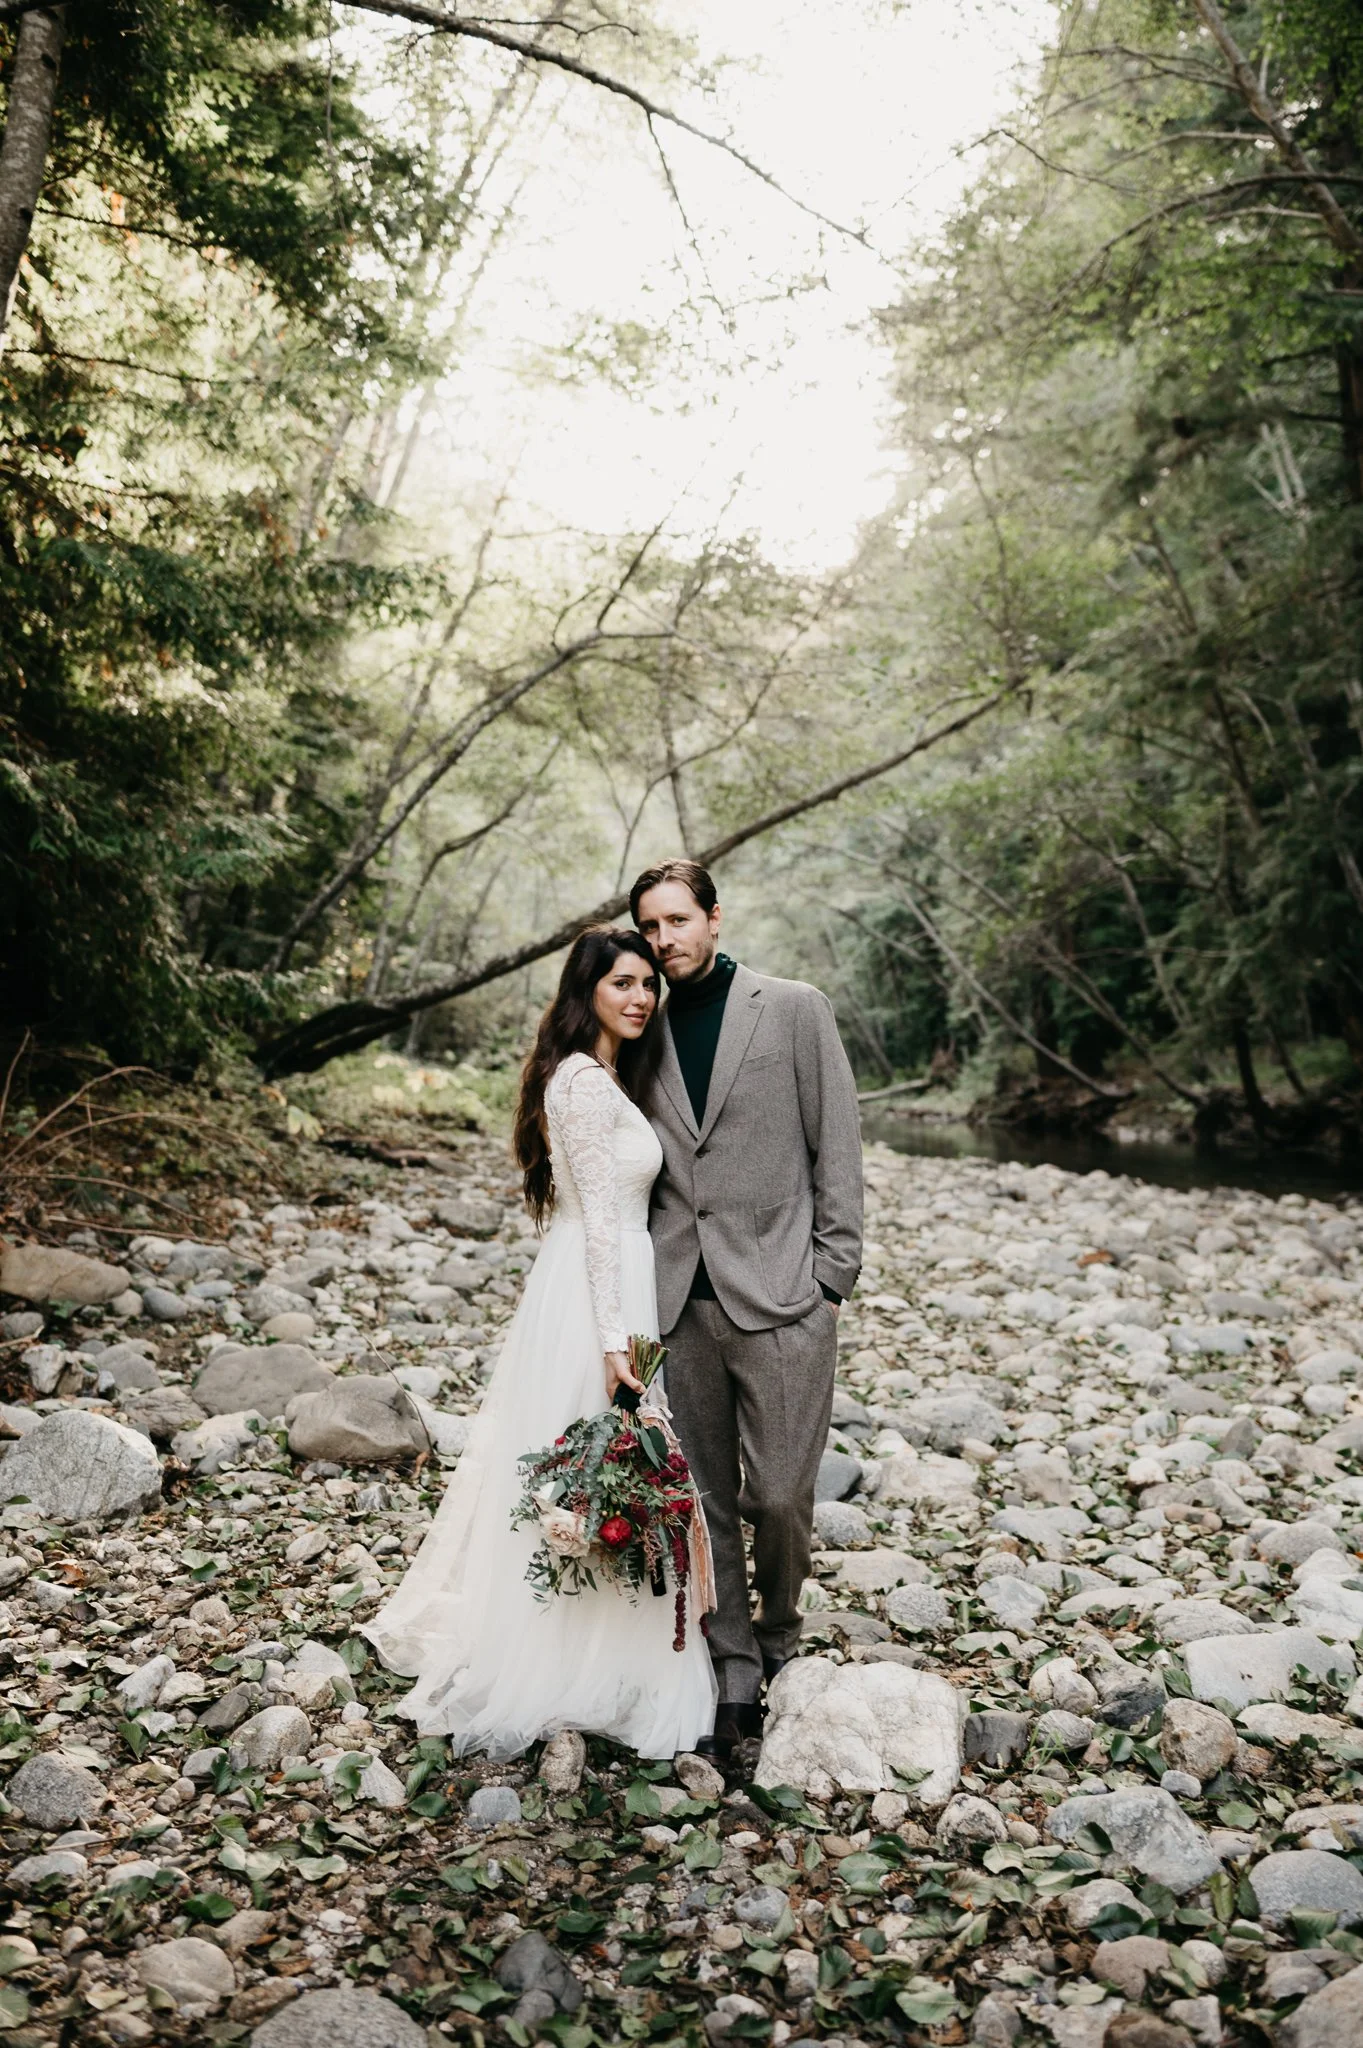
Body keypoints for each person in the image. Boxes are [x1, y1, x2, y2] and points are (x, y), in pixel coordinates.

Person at [362, 926, 717, 1758]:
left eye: (646, 985)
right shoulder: (584, 1085)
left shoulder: (597, 1076)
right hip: (600, 1288)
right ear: (585, 990)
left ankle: (602, 1642)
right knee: (597, 1466)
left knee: (604, 1470)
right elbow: (598, 1222)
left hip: (610, 1278)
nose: (638, 997)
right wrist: (611, 1341)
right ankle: (571, 1657)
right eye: (621, 983)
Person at [631, 858, 863, 1759]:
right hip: (676, 1298)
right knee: (702, 1500)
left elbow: (834, 1142)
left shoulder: (793, 1008)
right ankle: (733, 1665)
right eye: (650, 927)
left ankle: (780, 1628)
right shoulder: (638, 1024)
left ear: (715, 919)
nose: (665, 941)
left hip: (781, 1296)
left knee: (777, 1495)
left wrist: (831, 1277)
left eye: (678, 921)